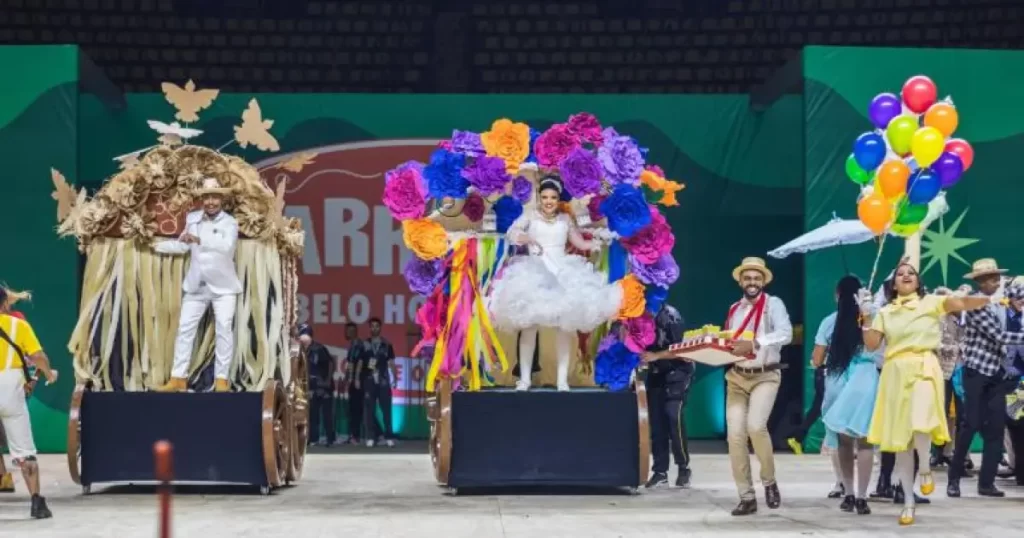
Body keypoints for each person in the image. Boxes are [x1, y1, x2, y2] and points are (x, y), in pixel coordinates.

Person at [862, 258, 1003, 526]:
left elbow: (963, 303)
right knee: (902, 440)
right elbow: (871, 345)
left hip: (925, 365)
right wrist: (866, 315)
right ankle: (908, 501)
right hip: (895, 371)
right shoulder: (886, 312)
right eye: (900, 274)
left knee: (921, 420)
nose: (906, 275)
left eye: (911, 272)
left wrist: (989, 298)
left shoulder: (931, 302)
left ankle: (926, 467)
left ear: (918, 280)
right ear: (893, 285)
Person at [489, 176, 620, 391]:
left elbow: (579, 242)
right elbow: (512, 234)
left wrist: (595, 244)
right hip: (533, 272)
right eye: (545, 197)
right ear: (539, 198)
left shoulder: (565, 219)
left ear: (558, 199)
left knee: (564, 327)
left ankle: (562, 380)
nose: (549, 201)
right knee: (529, 328)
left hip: (561, 273)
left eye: (553, 197)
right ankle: (525, 379)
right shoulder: (529, 216)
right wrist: (525, 238)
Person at [155, 177, 243, 392]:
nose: (210, 202)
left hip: (223, 288)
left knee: (224, 330)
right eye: (206, 197)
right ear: (202, 199)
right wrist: (155, 245)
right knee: (185, 329)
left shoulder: (229, 223)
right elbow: (184, 246)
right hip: (196, 286)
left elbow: (226, 248)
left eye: (214, 197)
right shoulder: (193, 218)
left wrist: (199, 240)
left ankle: (221, 380)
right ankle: (178, 378)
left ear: (221, 199)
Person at [946, 259, 1024, 498]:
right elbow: (998, 335)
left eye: (997, 277)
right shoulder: (976, 304)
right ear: (980, 282)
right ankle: (954, 478)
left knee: (996, 429)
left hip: (997, 374)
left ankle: (986, 483)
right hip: (977, 372)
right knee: (970, 425)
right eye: (991, 278)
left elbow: (1016, 300)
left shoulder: (998, 301)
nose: (996, 281)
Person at [722, 257, 792, 516]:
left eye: (757, 278)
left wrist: (755, 343)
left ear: (763, 281)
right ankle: (746, 496)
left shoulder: (773, 304)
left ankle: (769, 480)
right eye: (748, 278)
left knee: (755, 426)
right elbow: (729, 342)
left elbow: (786, 333)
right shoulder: (734, 309)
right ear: (740, 281)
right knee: (735, 436)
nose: (752, 282)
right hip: (737, 377)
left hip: (765, 375)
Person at [818, 275, 880, 516]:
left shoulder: (828, 322)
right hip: (865, 380)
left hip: (837, 378)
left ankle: (849, 494)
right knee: (865, 441)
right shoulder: (872, 318)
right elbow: (875, 346)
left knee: (843, 441)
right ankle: (862, 497)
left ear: (837, 295)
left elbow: (816, 359)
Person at [0, 286, 58, 519]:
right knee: (25, 452)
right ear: (5, 304)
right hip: (10, 390)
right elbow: (38, 356)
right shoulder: (18, 326)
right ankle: (37, 503)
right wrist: (49, 374)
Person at [640, 303, 693, 489]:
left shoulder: (671, 316)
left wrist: (656, 356)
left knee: (673, 417)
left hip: (678, 373)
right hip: (656, 375)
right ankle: (660, 472)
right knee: (657, 424)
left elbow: (682, 349)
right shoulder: (636, 315)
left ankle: (684, 468)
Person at [930, 286, 967, 469]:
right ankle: (937, 452)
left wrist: (963, 348)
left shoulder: (970, 319)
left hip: (965, 371)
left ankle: (960, 456)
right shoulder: (939, 319)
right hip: (943, 371)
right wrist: (957, 348)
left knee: (964, 416)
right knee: (941, 413)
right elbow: (935, 343)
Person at [358, 317, 397, 447]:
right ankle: (370, 437)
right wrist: (357, 378)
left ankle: (389, 437)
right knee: (369, 410)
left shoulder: (387, 344)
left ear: (380, 328)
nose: (374, 328)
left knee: (386, 410)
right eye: (372, 326)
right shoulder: (364, 344)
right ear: (369, 328)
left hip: (383, 381)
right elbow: (360, 362)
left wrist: (395, 378)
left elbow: (391, 362)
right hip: (369, 380)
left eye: (377, 326)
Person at [298, 323, 336, 446]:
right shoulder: (298, 350)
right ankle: (313, 439)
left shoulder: (319, 349)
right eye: (300, 335)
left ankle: (330, 439)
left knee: (327, 415)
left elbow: (331, 364)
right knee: (312, 415)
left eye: (304, 335)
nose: (302, 338)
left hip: (324, 386)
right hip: (310, 387)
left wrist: (327, 381)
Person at [340, 321, 364, 444]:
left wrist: (356, 379)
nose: (347, 333)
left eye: (349, 331)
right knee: (353, 409)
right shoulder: (352, 346)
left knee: (357, 409)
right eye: (346, 331)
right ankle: (353, 435)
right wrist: (346, 379)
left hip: (358, 383)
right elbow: (350, 364)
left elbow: (359, 362)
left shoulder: (359, 345)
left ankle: (357, 436)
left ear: (354, 332)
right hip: (352, 382)